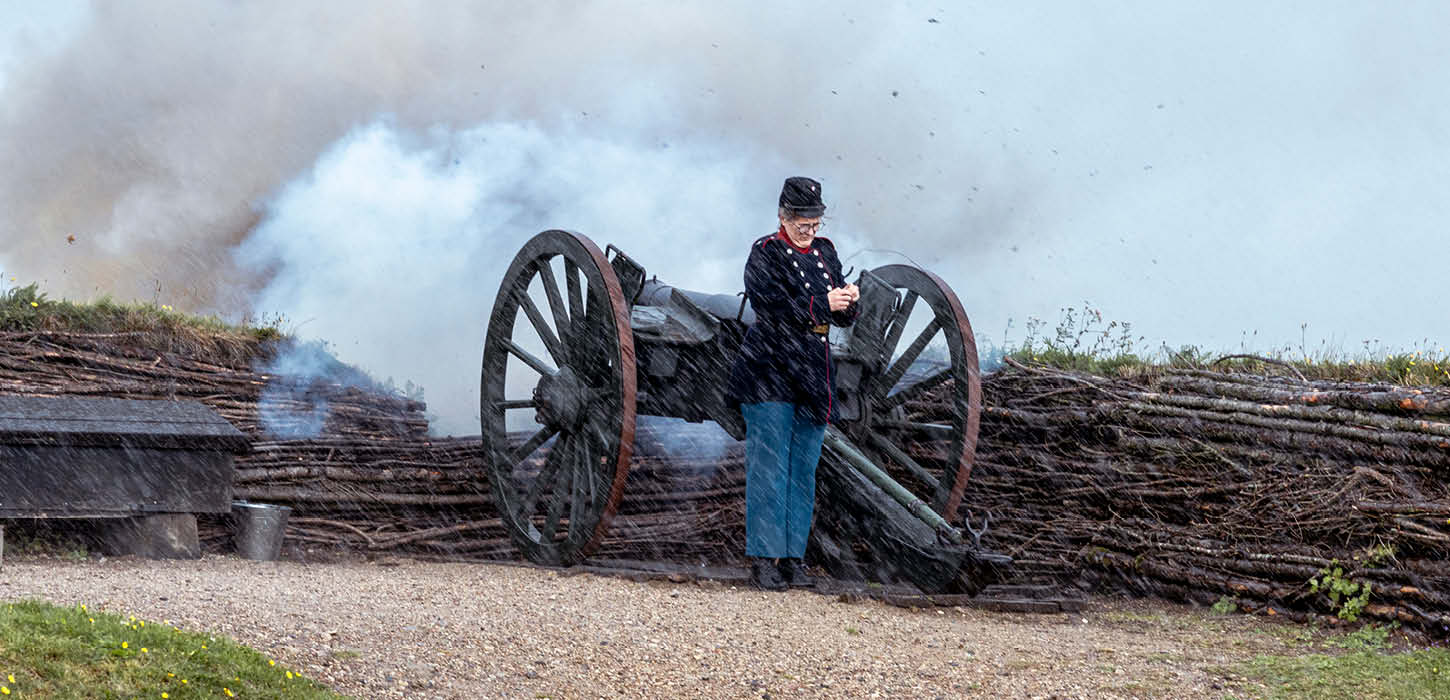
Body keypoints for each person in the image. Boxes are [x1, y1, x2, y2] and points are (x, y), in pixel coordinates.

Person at [725, 176, 860, 591]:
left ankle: (794, 561)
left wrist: (849, 302)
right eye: (802, 221)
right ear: (783, 216)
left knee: (803, 470)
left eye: (815, 221)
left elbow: (839, 315)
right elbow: (770, 307)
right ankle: (765, 559)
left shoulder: (826, 252)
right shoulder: (764, 252)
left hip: (813, 371)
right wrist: (822, 303)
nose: (810, 229)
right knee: (769, 468)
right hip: (770, 368)